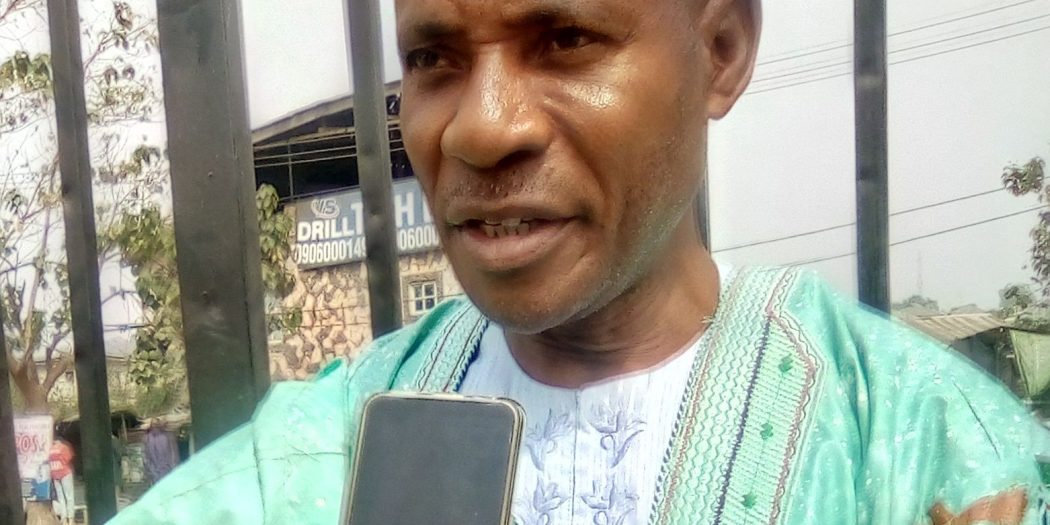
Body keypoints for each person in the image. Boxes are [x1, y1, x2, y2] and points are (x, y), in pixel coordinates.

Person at [111, 0, 1050, 523]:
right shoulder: (314, 458)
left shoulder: (928, 445)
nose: (480, 130)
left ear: (721, 51)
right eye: (434, 58)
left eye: (564, 41)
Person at [50, 438, 75, 525]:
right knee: (69, 497)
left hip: (55, 474)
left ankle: (64, 520)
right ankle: (70, 520)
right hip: (65, 473)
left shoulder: (50, 450)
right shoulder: (63, 447)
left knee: (61, 498)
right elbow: (69, 458)